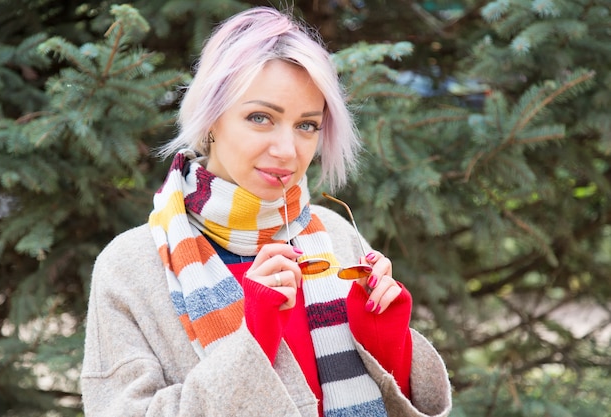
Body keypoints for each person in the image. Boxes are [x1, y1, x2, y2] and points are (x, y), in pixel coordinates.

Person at [81, 6, 452, 417]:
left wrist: (388, 347)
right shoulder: (131, 266)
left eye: (307, 125)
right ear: (211, 120)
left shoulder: (335, 236)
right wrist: (251, 341)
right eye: (261, 118)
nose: (287, 151)